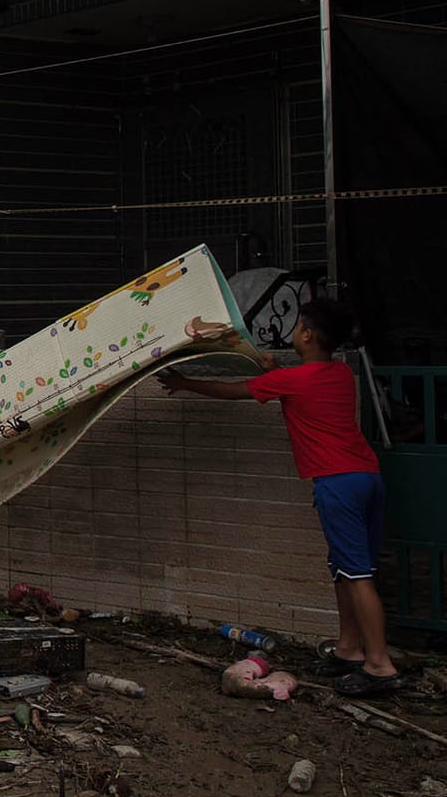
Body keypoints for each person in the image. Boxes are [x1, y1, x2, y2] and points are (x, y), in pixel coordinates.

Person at [158, 297, 397, 698]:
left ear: (307, 334)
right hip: (366, 477)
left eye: (298, 324)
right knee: (346, 570)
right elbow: (298, 386)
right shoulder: (340, 373)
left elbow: (233, 391)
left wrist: (186, 383)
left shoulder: (294, 380)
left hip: (336, 483)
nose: (294, 330)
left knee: (357, 575)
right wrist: (273, 371)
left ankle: (379, 665)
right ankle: (349, 649)